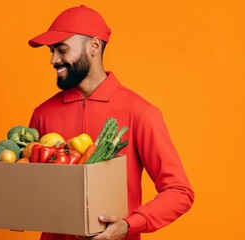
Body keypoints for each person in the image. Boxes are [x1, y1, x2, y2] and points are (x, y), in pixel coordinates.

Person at [27, 5, 194, 240]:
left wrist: (129, 224)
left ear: (94, 46)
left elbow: (179, 192)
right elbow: (31, 184)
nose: (54, 59)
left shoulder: (139, 112)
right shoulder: (43, 113)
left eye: (62, 49)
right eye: (51, 51)